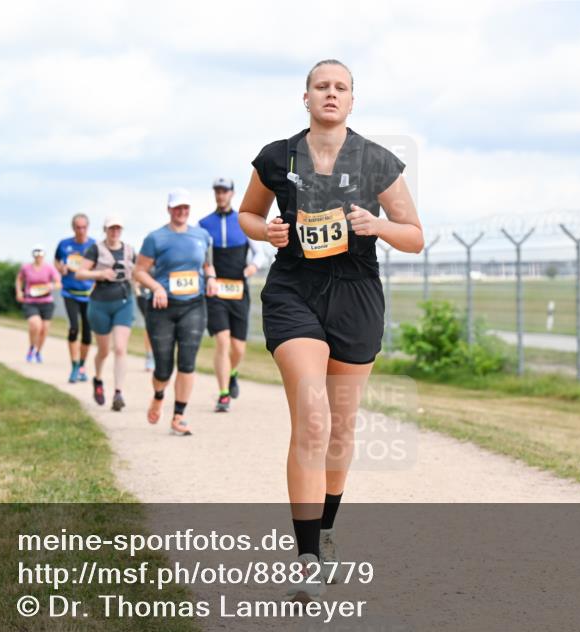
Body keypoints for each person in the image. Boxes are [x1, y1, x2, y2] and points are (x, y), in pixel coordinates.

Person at [237, 60, 423, 601]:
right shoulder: (278, 155)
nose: (331, 94)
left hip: (357, 294)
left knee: (341, 428)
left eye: (341, 87)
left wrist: (377, 225)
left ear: (352, 100)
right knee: (313, 420)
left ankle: (328, 529)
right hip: (295, 289)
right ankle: (307, 558)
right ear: (306, 97)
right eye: (323, 86)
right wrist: (266, 230)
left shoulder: (377, 160)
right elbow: (249, 215)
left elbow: (414, 236)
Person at [133, 188, 217, 436]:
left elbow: (207, 264)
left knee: (187, 362)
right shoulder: (155, 238)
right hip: (162, 307)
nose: (182, 212)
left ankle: (179, 415)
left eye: (186, 208)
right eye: (177, 207)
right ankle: (159, 395)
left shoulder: (201, 236)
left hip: (193, 304)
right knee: (163, 367)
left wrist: (211, 278)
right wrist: (156, 286)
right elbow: (138, 272)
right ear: (169, 209)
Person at [198, 177, 266, 412]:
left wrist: (252, 267)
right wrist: (208, 274)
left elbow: (260, 253)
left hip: (238, 289)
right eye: (217, 191)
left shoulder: (243, 221)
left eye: (224, 191)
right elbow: (200, 256)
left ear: (232, 193)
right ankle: (223, 393)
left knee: (238, 348)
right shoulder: (204, 224)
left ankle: (233, 372)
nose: (220, 195)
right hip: (215, 289)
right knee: (222, 342)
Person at [75, 216, 136, 411]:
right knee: (104, 351)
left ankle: (118, 393)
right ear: (105, 230)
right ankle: (98, 379)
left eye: (118, 228)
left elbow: (137, 272)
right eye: (111, 228)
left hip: (124, 301)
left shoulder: (129, 250)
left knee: (119, 348)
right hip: (100, 303)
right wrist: (100, 274)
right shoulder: (95, 249)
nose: (115, 231)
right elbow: (80, 273)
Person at [55, 213, 96, 383]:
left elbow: (100, 264)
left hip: (88, 294)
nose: (81, 230)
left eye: (84, 227)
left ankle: (81, 365)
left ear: (88, 227)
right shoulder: (64, 244)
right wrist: (61, 268)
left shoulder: (93, 245)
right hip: (70, 292)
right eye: (78, 227)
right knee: (73, 328)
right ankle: (73, 366)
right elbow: (56, 261)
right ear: (73, 228)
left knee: (87, 334)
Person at [16, 246, 62, 363]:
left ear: (43, 256)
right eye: (36, 255)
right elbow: (19, 279)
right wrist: (19, 291)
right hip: (31, 301)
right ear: (33, 256)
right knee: (35, 325)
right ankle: (32, 347)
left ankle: (38, 351)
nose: (38, 257)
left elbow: (58, 283)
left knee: (44, 329)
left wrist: (50, 286)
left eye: (40, 255)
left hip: (46, 302)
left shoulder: (49, 268)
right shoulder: (26, 267)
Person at [134, 282, 156, 371]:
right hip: (143, 296)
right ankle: (149, 356)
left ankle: (158, 356)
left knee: (157, 326)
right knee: (149, 325)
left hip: (159, 294)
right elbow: (135, 276)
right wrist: (137, 292)